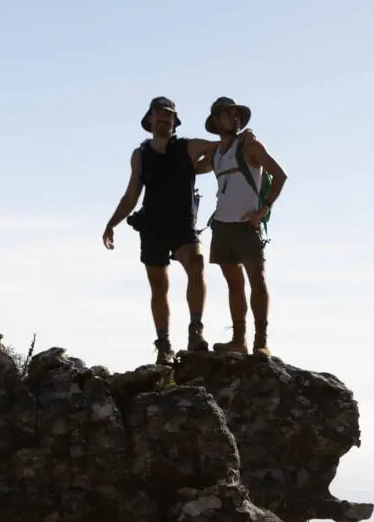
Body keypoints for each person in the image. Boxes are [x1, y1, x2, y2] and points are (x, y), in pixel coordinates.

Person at [101, 96, 218, 361]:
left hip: (183, 226)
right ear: (150, 119)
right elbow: (131, 195)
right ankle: (164, 345)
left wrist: (201, 166)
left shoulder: (188, 147)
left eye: (169, 115)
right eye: (159, 114)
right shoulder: (140, 155)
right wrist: (111, 224)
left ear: (175, 121)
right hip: (152, 226)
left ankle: (195, 331)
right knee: (158, 287)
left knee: (197, 263)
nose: (164, 119)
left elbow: (219, 147)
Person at [205, 97, 286, 357]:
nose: (235, 118)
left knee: (257, 281)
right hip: (221, 226)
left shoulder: (250, 145)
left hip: (245, 227)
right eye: (229, 114)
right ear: (217, 120)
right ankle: (238, 341)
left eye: (237, 114)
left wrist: (263, 210)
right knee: (234, 284)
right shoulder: (217, 152)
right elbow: (193, 166)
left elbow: (280, 176)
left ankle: (260, 342)